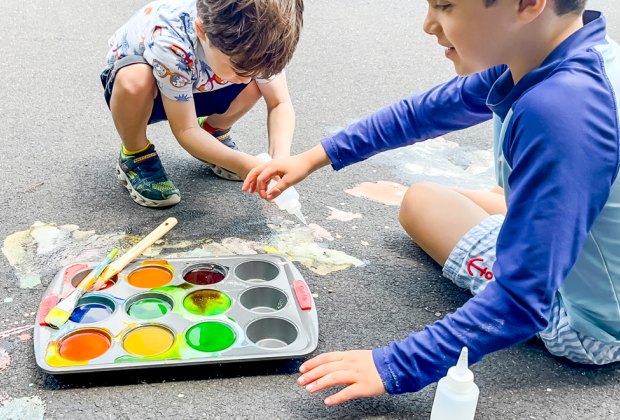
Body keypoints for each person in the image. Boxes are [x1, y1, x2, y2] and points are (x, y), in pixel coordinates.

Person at [243, 0, 620, 406]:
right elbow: (428, 111)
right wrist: (314, 156)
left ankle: (528, 219)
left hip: (591, 326)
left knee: (420, 205)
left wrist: (394, 365)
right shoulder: (565, 55)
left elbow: (521, 299)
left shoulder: (559, 111)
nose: (428, 25)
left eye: (445, 6)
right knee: (435, 198)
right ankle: (526, 210)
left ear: (527, 4)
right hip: (596, 263)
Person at [101, 0, 303, 207]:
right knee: (134, 79)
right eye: (237, 68)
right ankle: (136, 154)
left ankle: (212, 131)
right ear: (201, 30)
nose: (246, 78)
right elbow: (185, 129)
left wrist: (280, 159)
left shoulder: (262, 43)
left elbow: (279, 103)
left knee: (259, 84)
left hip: (202, 84)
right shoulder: (170, 40)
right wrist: (242, 164)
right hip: (150, 93)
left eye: (257, 71)